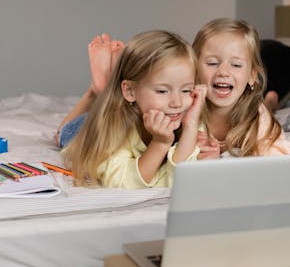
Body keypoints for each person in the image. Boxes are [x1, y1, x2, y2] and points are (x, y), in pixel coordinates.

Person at [61, 30, 206, 189]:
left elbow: (179, 179)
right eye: (162, 91)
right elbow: (124, 183)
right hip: (89, 128)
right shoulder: (114, 128)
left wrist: (191, 126)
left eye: (186, 90)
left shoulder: (189, 117)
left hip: (128, 107)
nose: (177, 103)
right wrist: (160, 143)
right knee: (64, 133)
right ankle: (94, 93)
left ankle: (105, 88)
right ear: (130, 91)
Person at [192, 18, 290, 158]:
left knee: (265, 108)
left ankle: (270, 102)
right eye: (212, 63)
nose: (223, 72)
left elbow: (274, 156)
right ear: (195, 70)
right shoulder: (188, 107)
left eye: (236, 65)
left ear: (252, 75)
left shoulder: (257, 116)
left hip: (255, 104)